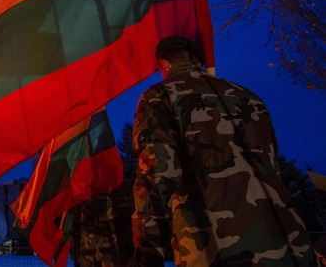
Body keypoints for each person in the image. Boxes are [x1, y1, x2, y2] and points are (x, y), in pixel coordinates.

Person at [131, 35, 317, 266]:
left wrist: (148, 254)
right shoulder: (250, 98)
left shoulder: (159, 97)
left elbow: (156, 178)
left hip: (218, 249)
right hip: (290, 244)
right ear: (198, 61)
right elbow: (272, 166)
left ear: (164, 64)